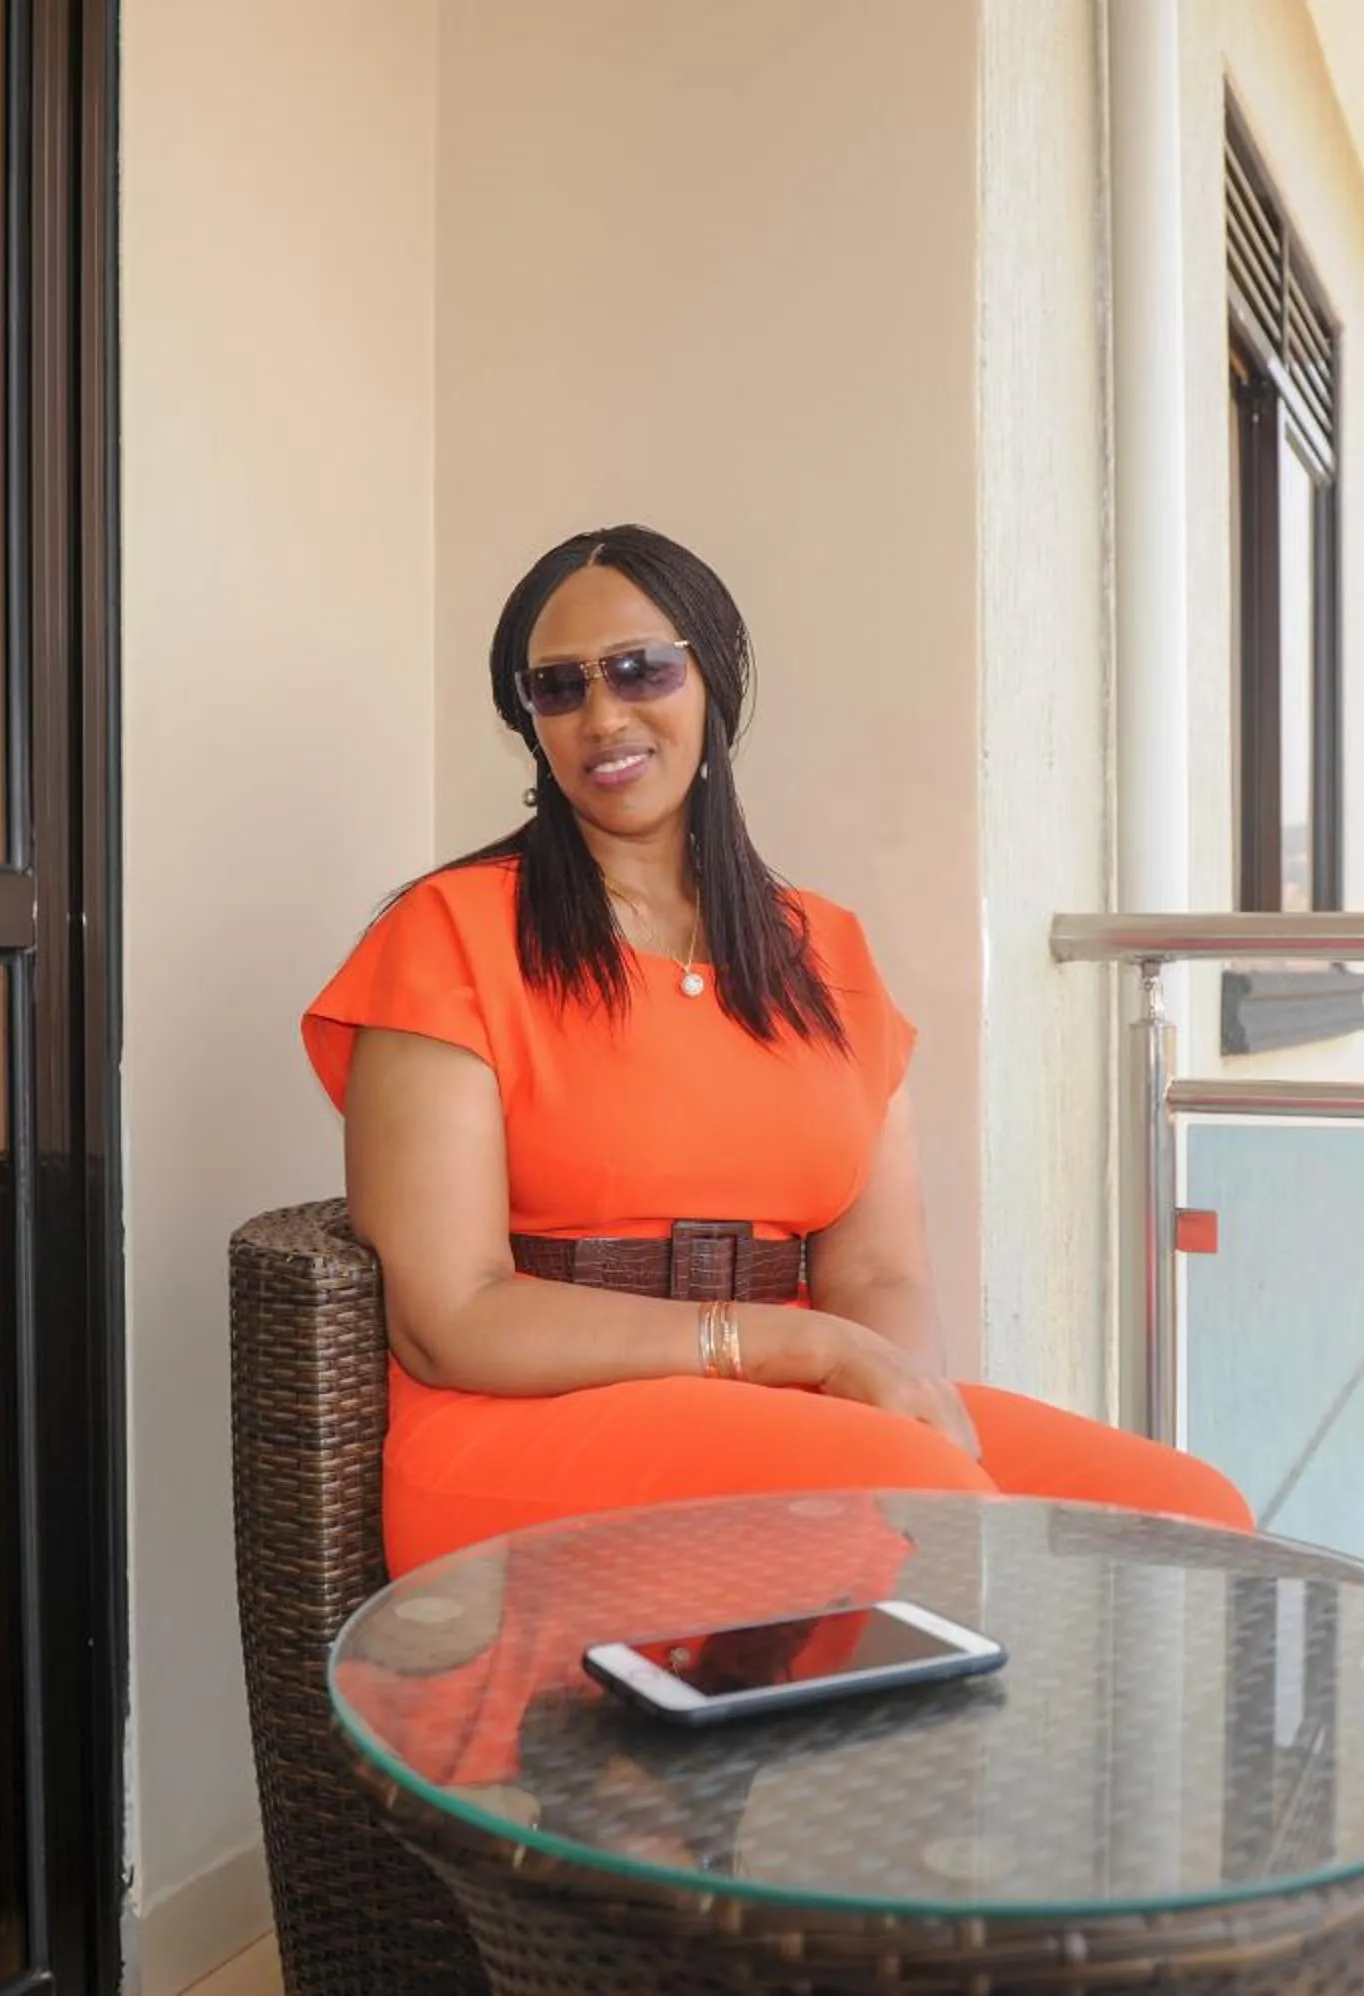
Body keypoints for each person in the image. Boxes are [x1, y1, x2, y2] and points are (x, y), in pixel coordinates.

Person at [303, 524, 1250, 1585]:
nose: (603, 714)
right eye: (558, 689)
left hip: (792, 1410)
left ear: (714, 678)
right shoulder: (450, 935)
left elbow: (880, 1272)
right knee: (915, 1506)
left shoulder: (824, 951)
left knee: (1188, 1521)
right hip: (525, 1420)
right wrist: (799, 1352)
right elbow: (451, 1319)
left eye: (641, 669)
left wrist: (892, 1404)